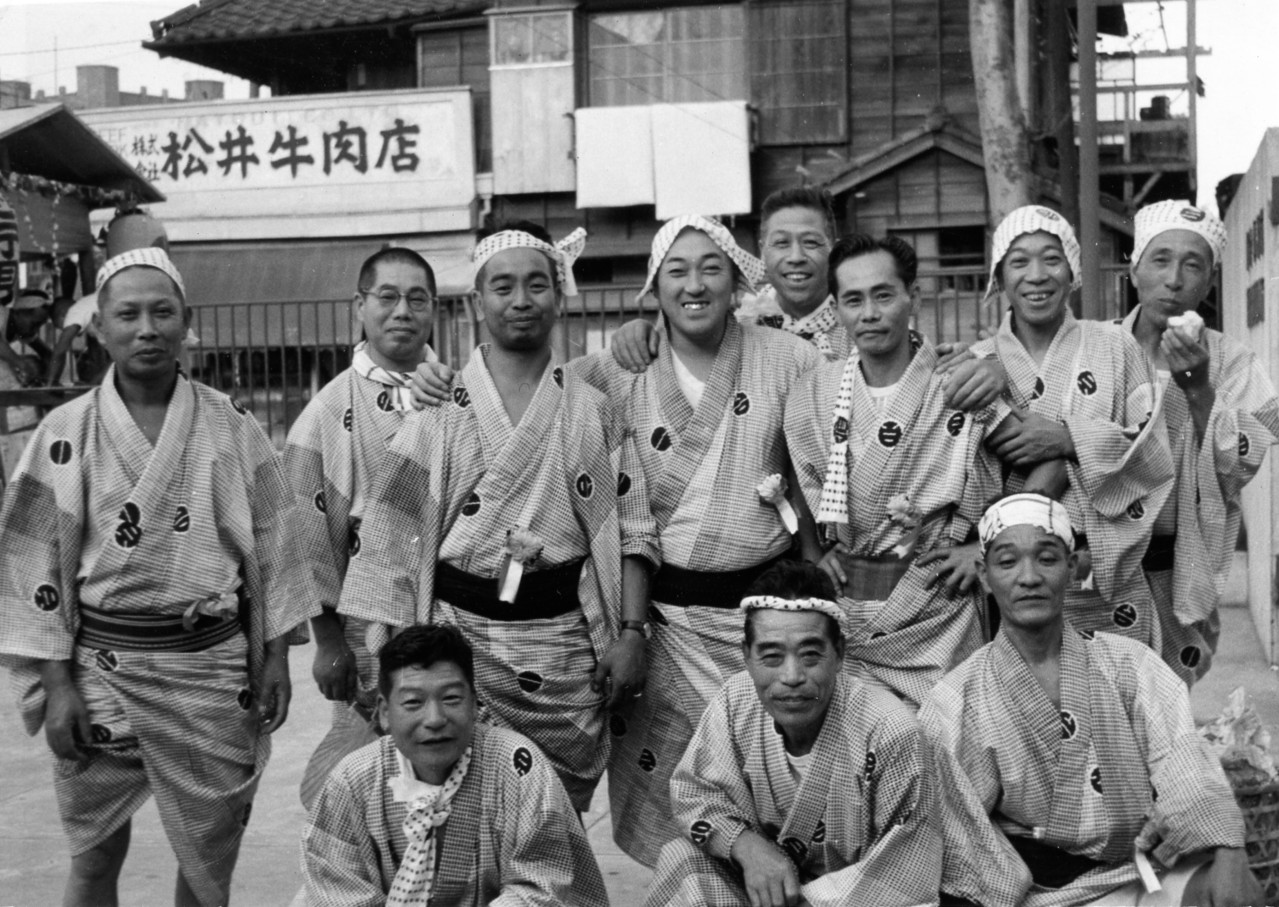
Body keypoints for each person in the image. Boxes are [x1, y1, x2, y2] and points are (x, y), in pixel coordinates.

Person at [0, 247, 313, 907]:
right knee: (93, 854)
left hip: (211, 668)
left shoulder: (231, 425)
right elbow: (33, 561)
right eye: (129, 314)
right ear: (100, 330)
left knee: (208, 866)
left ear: (186, 321)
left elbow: (276, 540)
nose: (147, 328)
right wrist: (56, 685)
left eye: (162, 312)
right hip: (99, 668)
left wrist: (277, 653)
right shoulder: (66, 430)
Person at [339, 222, 659, 814]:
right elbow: (387, 545)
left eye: (537, 284)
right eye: (503, 286)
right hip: (460, 650)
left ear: (559, 296)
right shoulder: (438, 409)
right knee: (462, 825)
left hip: (566, 653)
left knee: (554, 827)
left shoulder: (594, 408)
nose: (520, 301)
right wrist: (383, 654)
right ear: (477, 300)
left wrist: (633, 632)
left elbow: (634, 528)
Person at [920, 493, 1261, 907]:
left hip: (1140, 874)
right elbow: (961, 833)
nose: (1028, 577)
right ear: (985, 575)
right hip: (1035, 893)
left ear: (1073, 567)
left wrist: (1229, 851)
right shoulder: (957, 698)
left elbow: (1182, 761)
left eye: (1046, 558)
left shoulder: (1130, 664)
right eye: (1007, 562)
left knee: (1229, 896)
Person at [785, 234, 1032, 707]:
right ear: (836, 308)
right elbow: (798, 473)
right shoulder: (812, 392)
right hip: (848, 605)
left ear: (912, 297)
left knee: (946, 743)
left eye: (883, 295)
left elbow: (1045, 464)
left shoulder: (956, 381)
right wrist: (814, 553)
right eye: (853, 300)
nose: (870, 313)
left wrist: (982, 545)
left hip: (939, 604)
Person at [646, 561, 943, 907]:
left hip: (855, 900)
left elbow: (907, 867)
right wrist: (748, 847)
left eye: (810, 655)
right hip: (768, 892)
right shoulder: (736, 700)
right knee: (680, 858)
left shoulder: (890, 730)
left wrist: (807, 899)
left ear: (840, 653)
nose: (791, 676)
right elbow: (695, 791)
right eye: (771, 656)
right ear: (746, 655)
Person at [605, 187, 1005, 413]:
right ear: (762, 250)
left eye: (811, 242)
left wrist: (989, 366)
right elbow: (683, 332)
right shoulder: (737, 320)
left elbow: (933, 367)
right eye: (781, 243)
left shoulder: (865, 321)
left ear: (831, 246)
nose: (795, 257)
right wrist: (642, 328)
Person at [975, 205, 1174, 646]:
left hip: (1102, 567)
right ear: (1000, 277)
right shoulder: (980, 360)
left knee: (1117, 697)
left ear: (1072, 269)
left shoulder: (1116, 345)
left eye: (1051, 257)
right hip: (1012, 571)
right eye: (1019, 261)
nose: (1037, 275)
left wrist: (1068, 439)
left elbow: (1152, 451)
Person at [284, 246, 440, 806]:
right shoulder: (327, 413)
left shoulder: (464, 394)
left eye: (417, 298)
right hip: (364, 629)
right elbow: (307, 539)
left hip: (454, 620)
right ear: (360, 306)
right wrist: (327, 642)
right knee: (361, 791)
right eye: (388, 297)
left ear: (434, 310)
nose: (403, 311)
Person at [301, 624, 608, 906]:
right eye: (413, 702)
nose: (434, 719)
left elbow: (541, 885)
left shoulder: (518, 765)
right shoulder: (353, 778)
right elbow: (336, 886)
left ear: (474, 704)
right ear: (383, 712)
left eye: (451, 698)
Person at [1121, 200, 1279, 686]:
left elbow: (1240, 466)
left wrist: (1197, 387)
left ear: (1209, 282)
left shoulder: (1234, 361)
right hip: (1102, 572)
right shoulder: (1098, 351)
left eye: (1193, 265)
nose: (1174, 280)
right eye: (1160, 260)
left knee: (1167, 714)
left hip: (1181, 569)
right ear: (1134, 270)